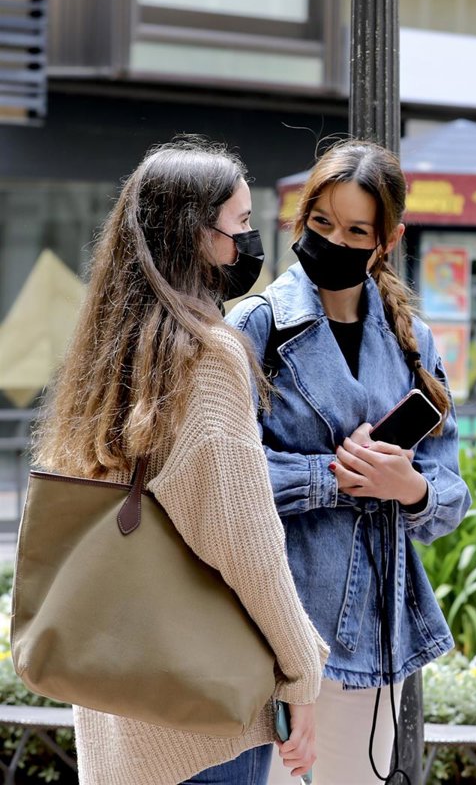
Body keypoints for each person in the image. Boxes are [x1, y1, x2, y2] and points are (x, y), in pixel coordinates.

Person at [32, 138, 328, 785]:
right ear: (197, 234)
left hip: (115, 715)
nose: (250, 242)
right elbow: (246, 544)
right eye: (241, 223)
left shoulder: (104, 353)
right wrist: (302, 673)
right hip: (201, 728)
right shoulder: (210, 355)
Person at [227, 140, 470, 784]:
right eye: (322, 222)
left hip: (376, 632)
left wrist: (409, 487)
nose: (335, 241)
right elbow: (222, 479)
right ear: (301, 216)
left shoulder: (413, 340)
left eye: (357, 231)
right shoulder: (256, 327)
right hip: (277, 627)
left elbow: (450, 494)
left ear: (387, 240)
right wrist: (338, 478)